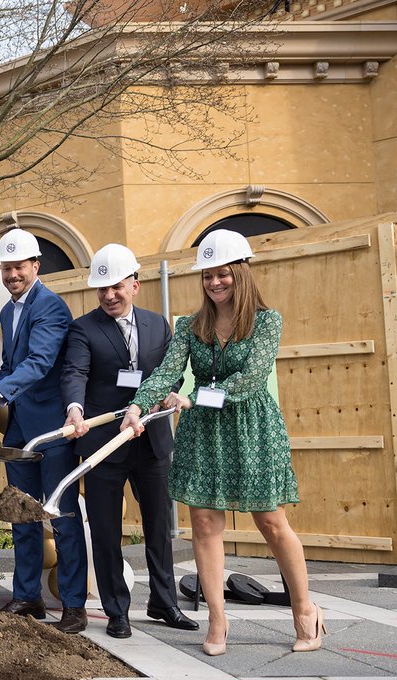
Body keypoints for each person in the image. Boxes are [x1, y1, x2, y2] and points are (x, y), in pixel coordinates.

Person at [122, 228, 322, 656]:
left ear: (242, 273)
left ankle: (305, 610)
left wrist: (195, 396)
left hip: (251, 428)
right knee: (205, 525)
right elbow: (166, 372)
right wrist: (138, 405)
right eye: (208, 276)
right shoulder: (192, 326)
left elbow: (250, 379)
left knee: (271, 522)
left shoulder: (267, 322)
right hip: (203, 433)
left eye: (223, 274)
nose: (215, 283)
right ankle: (217, 619)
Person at [60, 244, 198, 639]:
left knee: (159, 527)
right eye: (102, 289)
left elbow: (172, 374)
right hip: (104, 442)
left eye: (116, 287)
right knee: (105, 530)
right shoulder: (83, 329)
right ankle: (116, 610)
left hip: (151, 439)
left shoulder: (159, 325)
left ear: (135, 284)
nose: (108, 296)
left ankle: (163, 602)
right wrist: (74, 409)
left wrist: (157, 399)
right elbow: (75, 373)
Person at [0, 228, 88, 633]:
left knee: (62, 515)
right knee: (20, 513)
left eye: (18, 267)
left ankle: (73, 605)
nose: (11, 275)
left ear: (35, 266)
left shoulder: (51, 308)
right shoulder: (8, 311)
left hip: (53, 428)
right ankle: (28, 596)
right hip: (20, 427)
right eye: (6, 268)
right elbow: (11, 364)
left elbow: (40, 363)